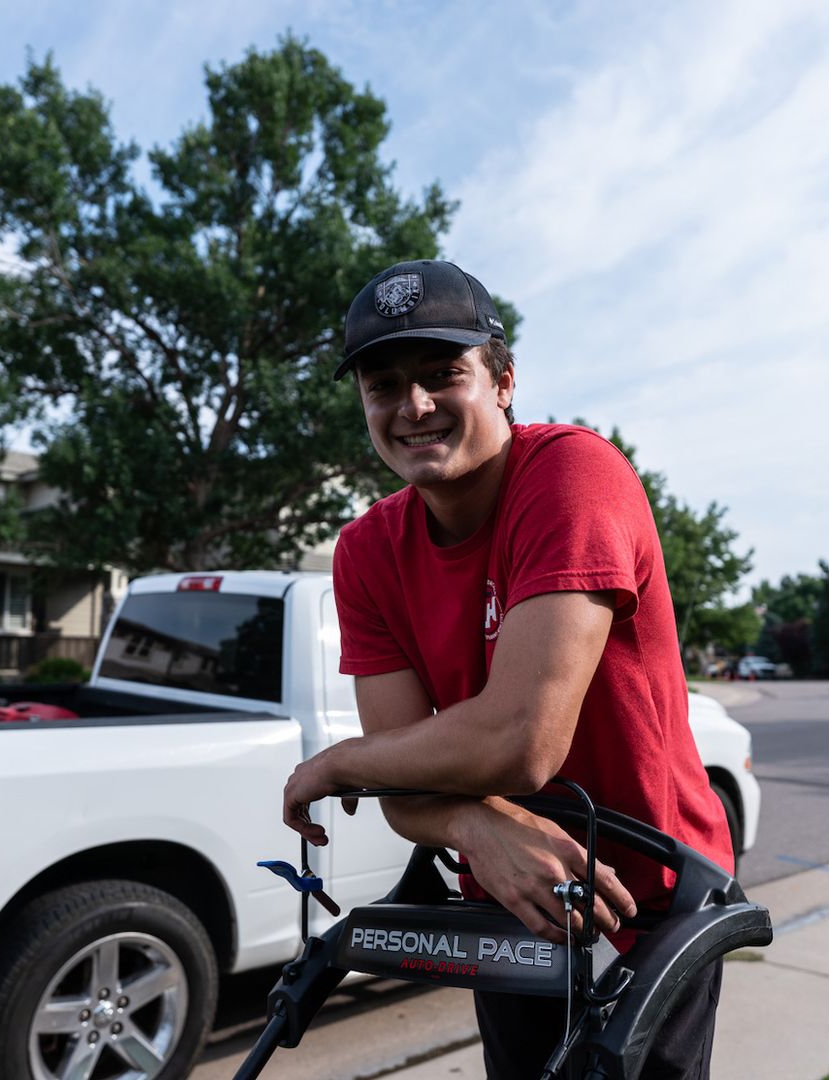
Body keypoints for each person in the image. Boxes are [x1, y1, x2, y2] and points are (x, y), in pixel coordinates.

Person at [279, 259, 734, 1078]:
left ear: (503, 380)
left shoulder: (572, 474)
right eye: (383, 385)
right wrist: (471, 823)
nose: (412, 406)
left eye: (441, 374)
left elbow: (523, 742)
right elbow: (407, 783)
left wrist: (340, 763)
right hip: (510, 892)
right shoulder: (365, 550)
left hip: (652, 895)